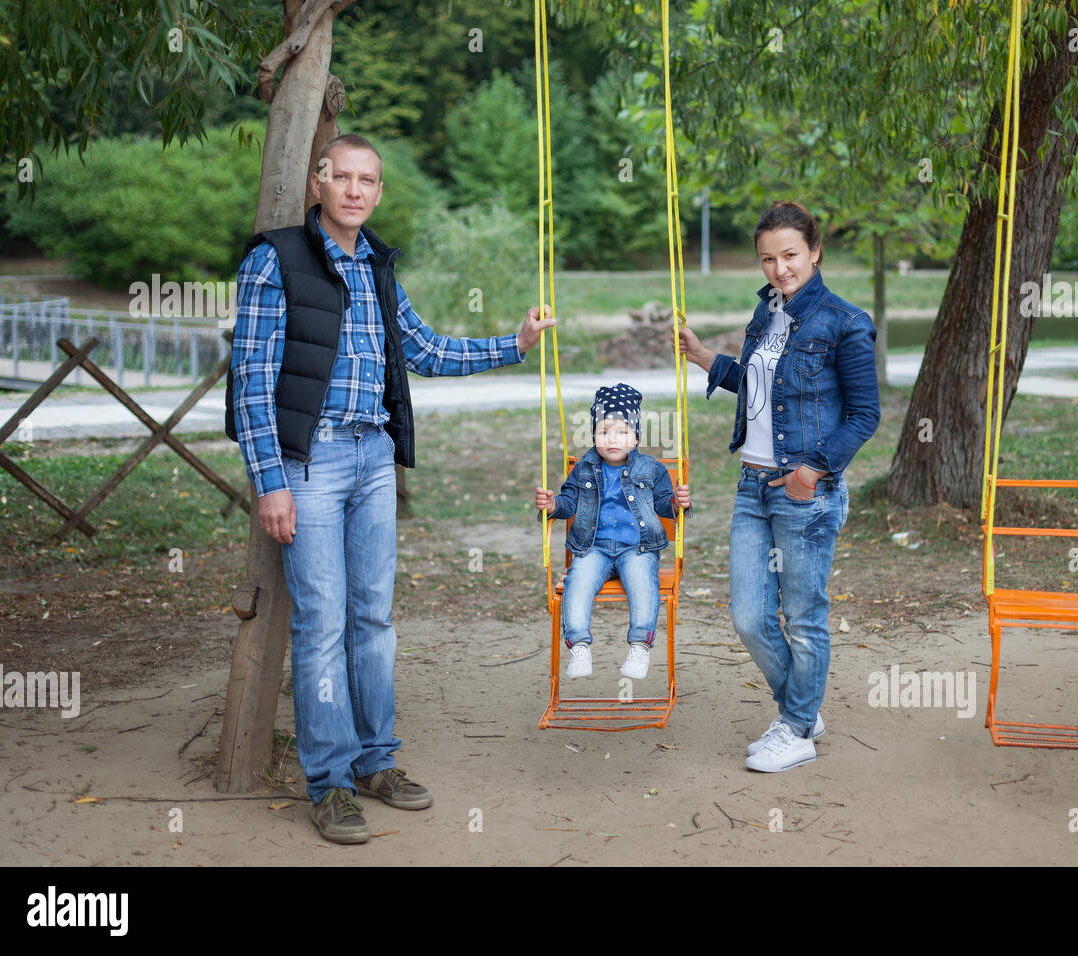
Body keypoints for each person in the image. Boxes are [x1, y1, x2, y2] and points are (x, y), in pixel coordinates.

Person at [226, 133, 555, 844]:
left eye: (366, 180)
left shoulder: (378, 266)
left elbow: (426, 350)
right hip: (308, 465)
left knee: (373, 618)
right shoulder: (274, 261)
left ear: (378, 192)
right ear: (318, 184)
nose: (352, 190)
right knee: (322, 622)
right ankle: (331, 783)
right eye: (340, 177)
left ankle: (378, 761)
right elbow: (250, 382)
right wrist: (270, 482)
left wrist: (515, 345)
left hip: (374, 460)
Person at [678, 200, 880, 773]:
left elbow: (865, 414)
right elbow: (761, 386)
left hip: (803, 491)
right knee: (749, 615)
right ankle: (801, 709)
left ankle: (796, 729)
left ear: (815, 252)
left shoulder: (845, 321)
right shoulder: (767, 314)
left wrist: (813, 470)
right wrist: (703, 358)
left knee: (804, 614)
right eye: (768, 259)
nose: (779, 269)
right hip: (752, 485)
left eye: (790, 255)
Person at [534, 384, 691, 681]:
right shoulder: (583, 468)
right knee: (577, 581)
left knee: (643, 583)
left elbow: (663, 504)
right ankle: (578, 645)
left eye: (621, 431)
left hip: (638, 549)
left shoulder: (651, 469)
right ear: (593, 435)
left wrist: (676, 502)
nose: (612, 439)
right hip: (593, 547)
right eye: (604, 431)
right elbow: (568, 503)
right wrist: (553, 504)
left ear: (635, 436)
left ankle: (639, 646)